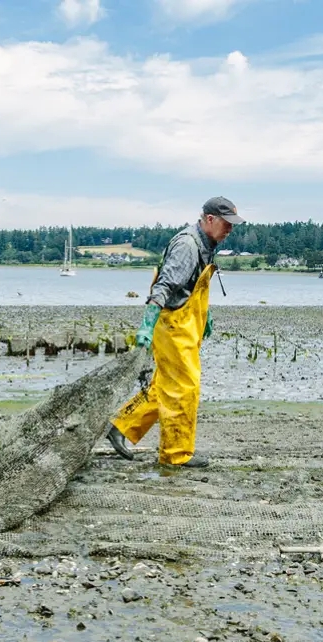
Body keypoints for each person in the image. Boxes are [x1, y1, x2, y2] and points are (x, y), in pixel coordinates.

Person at [106, 197, 245, 468]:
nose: (230, 230)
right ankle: (176, 454)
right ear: (209, 219)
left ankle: (122, 426)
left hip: (185, 322)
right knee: (184, 387)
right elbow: (165, 285)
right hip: (172, 326)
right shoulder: (187, 245)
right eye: (226, 223)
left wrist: (206, 316)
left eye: (232, 225)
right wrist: (147, 324)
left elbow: (191, 285)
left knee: (165, 386)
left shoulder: (206, 244)